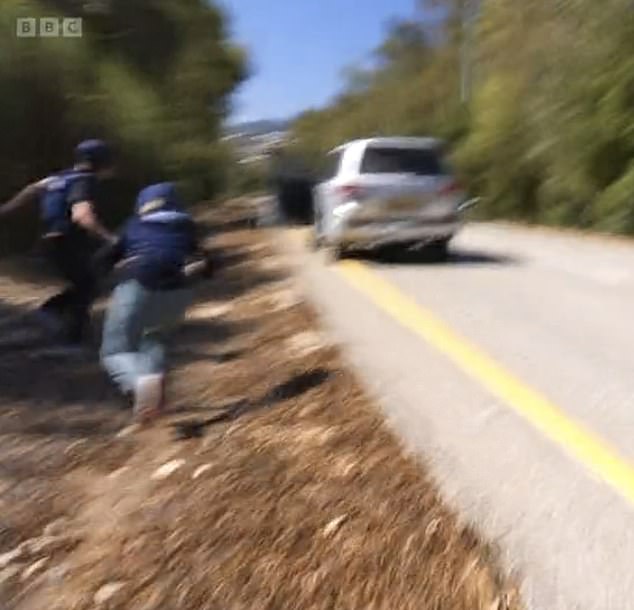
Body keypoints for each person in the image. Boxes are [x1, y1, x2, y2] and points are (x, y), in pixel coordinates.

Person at [95, 182, 212, 423]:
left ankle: (139, 382)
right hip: (179, 288)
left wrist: (112, 270)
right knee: (154, 337)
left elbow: (100, 260)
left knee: (115, 351)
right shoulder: (187, 226)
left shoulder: (133, 225)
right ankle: (153, 403)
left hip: (138, 282)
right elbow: (209, 264)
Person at [0, 139, 116, 348]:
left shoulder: (58, 178)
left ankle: (64, 324)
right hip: (67, 241)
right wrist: (110, 238)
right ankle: (63, 330)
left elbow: (32, 189)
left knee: (86, 283)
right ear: (101, 162)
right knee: (88, 285)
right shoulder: (85, 180)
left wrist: (6, 209)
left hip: (48, 241)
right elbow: (82, 214)